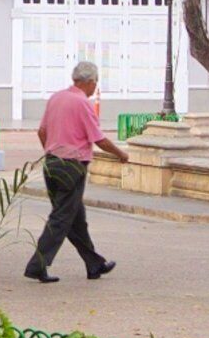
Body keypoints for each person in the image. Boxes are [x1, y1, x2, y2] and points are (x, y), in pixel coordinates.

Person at [26, 60, 131, 282]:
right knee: (61, 218)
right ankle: (38, 265)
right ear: (89, 81)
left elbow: (42, 131)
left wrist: (51, 151)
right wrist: (121, 154)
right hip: (72, 165)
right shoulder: (82, 103)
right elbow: (99, 139)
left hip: (52, 163)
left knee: (75, 218)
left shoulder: (56, 98)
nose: (95, 88)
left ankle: (94, 264)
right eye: (96, 83)